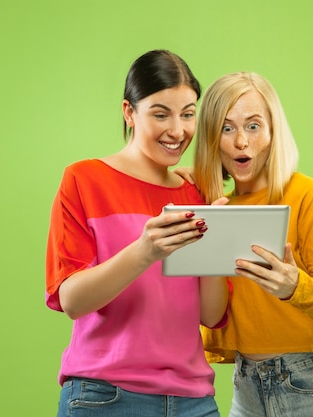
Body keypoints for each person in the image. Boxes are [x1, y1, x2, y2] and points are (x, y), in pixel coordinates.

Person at [45, 49, 230, 417]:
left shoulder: (196, 193)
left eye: (188, 114)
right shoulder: (84, 180)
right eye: (160, 114)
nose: (178, 131)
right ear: (129, 112)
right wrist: (144, 251)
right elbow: (72, 300)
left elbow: (212, 314)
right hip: (104, 397)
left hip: (193, 401)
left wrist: (217, 244)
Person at [192, 72, 313, 416]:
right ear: (212, 138)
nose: (241, 141)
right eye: (227, 128)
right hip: (246, 386)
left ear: (273, 132)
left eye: (254, 126)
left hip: (312, 382)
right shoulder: (214, 209)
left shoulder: (306, 196)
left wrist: (295, 286)